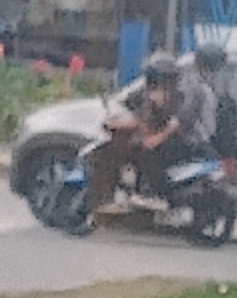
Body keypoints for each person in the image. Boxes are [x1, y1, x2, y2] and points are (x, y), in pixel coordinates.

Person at [81, 49, 189, 213]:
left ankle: (149, 193)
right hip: (150, 137)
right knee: (117, 150)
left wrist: (150, 134)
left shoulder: (175, 97)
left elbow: (163, 123)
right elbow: (126, 105)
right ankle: (117, 194)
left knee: (143, 150)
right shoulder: (145, 92)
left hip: (170, 142)